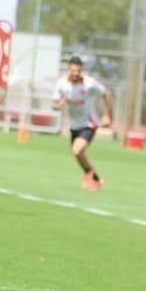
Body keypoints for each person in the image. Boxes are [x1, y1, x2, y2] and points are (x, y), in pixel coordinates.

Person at [53, 56, 112, 191]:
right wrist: (58, 105)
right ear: (69, 70)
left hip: (89, 123)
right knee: (78, 154)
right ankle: (96, 179)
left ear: (82, 70)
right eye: (73, 71)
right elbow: (54, 105)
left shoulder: (89, 83)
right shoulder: (61, 84)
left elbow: (106, 94)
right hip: (74, 126)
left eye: (78, 71)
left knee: (77, 150)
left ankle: (88, 175)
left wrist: (106, 115)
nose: (76, 74)